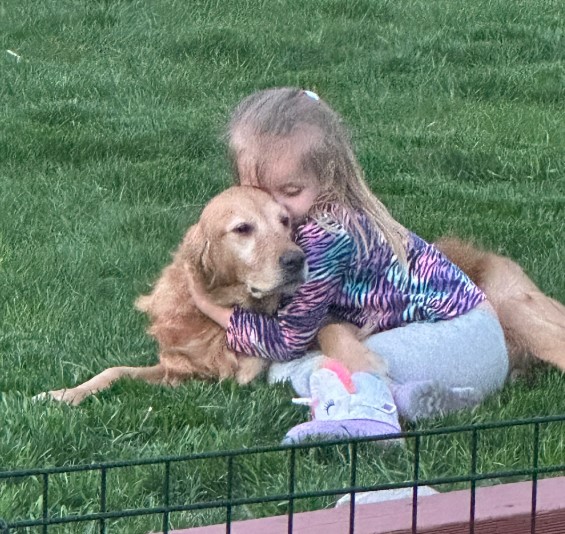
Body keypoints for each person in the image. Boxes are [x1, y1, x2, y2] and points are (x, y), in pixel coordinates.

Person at [188, 87, 509, 442]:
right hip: (467, 343)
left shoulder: (326, 236)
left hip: (461, 343)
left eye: (290, 193)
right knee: (318, 353)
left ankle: (370, 420)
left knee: (296, 366)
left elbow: (286, 340)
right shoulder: (334, 218)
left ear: (328, 178)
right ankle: (408, 399)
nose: (276, 209)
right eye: (259, 194)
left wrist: (211, 308)